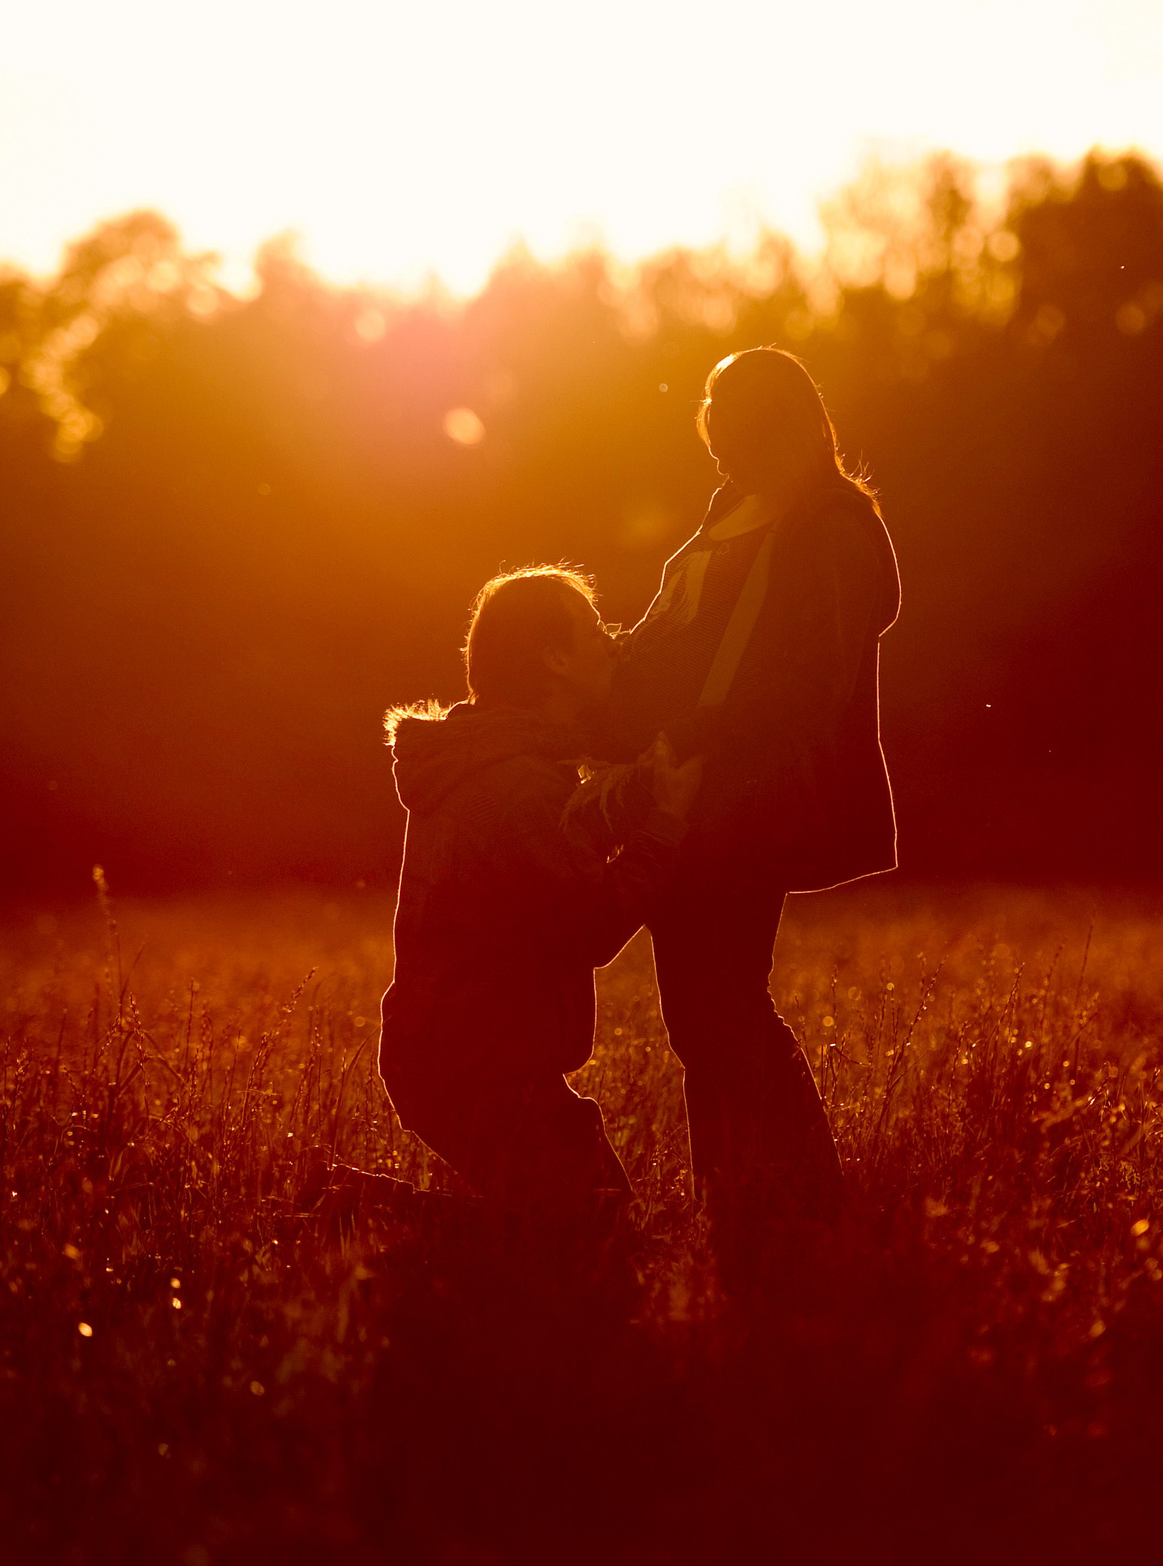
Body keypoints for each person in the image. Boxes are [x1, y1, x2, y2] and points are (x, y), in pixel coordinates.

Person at [601, 347, 900, 1281]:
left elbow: (812, 682)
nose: (717, 439)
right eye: (713, 420)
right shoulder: (731, 509)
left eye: (732, 419)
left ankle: (800, 1203)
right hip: (686, 789)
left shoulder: (836, 526)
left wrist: (700, 728)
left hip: (751, 796)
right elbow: (672, 636)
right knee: (700, 1013)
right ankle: (741, 1209)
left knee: (724, 1004)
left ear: (778, 422)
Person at [379, 566, 702, 1214]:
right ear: (554, 659)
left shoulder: (494, 761)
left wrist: (643, 790)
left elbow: (557, 848)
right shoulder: (517, 782)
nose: (612, 642)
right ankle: (358, 1214)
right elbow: (591, 924)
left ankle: (359, 1210)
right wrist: (666, 824)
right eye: (593, 629)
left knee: (567, 1224)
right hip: (478, 1066)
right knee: (590, 1232)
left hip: (455, 1054)